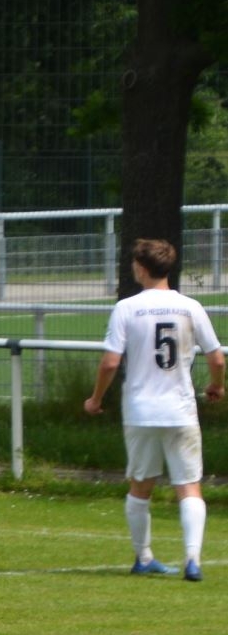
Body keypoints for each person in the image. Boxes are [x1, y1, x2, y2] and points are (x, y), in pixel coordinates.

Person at [84, 238, 223, 582]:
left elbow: (110, 362)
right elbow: (217, 358)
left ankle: (144, 556)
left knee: (140, 486)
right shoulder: (190, 307)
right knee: (188, 486)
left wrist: (96, 399)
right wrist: (216, 385)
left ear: (141, 268)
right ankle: (192, 559)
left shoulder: (127, 308)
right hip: (180, 409)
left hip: (140, 410)